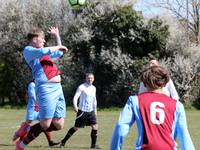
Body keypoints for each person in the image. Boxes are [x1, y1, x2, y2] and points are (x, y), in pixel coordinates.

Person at [110, 65, 195, 150]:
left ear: (144, 82)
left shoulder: (135, 101)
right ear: (165, 83)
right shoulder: (177, 105)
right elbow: (184, 135)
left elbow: (121, 127)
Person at [16, 26, 68, 150]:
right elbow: (44, 51)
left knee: (59, 124)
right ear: (34, 39)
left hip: (58, 88)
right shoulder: (28, 50)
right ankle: (21, 145)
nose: (44, 41)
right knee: (45, 125)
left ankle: (29, 129)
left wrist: (57, 36)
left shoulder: (46, 53)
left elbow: (60, 52)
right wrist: (57, 47)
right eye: (42, 38)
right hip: (45, 89)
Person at [58, 73, 101, 149]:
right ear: (86, 78)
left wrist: (95, 110)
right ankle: (63, 142)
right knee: (76, 128)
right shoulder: (81, 87)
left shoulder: (94, 88)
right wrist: (75, 106)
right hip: (82, 112)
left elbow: (94, 100)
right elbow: (75, 97)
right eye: (88, 78)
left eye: (91, 78)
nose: (90, 79)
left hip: (91, 112)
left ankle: (93, 145)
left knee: (95, 126)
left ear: (93, 79)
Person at [12, 82, 59, 147]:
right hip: (32, 108)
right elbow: (32, 96)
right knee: (27, 124)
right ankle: (19, 137)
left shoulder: (42, 86)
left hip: (40, 109)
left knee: (44, 124)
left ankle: (50, 141)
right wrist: (39, 101)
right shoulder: (32, 84)